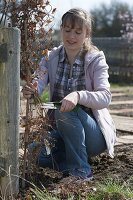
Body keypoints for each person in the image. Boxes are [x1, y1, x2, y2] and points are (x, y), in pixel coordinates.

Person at [22, 8, 116, 181]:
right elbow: (39, 82)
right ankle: (75, 161)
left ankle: (81, 172)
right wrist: (32, 89)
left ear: (87, 34)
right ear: (62, 30)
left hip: (93, 135)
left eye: (78, 32)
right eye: (67, 30)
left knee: (64, 110)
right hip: (61, 132)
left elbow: (105, 97)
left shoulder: (96, 59)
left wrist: (78, 96)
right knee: (34, 154)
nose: (71, 36)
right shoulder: (50, 57)